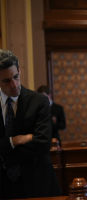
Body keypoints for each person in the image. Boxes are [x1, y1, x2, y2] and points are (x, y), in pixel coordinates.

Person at [0, 50, 60, 198]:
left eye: (16, 77)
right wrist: (15, 140)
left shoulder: (39, 101)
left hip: (37, 183)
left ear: (19, 71)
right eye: (6, 81)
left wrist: (4, 150)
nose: (14, 85)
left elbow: (42, 143)